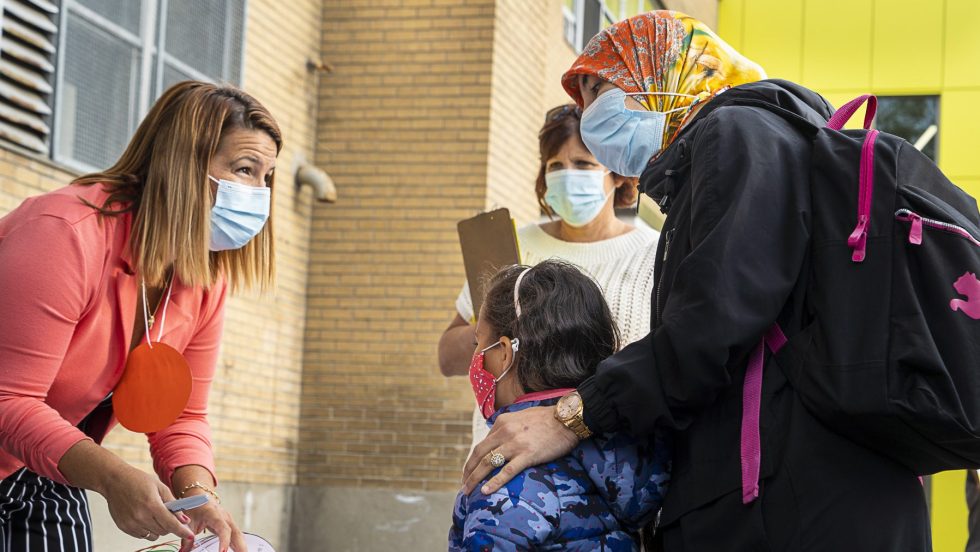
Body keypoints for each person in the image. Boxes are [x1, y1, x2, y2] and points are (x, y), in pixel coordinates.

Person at [462, 11, 931, 551]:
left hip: (804, 504)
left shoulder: (739, 135)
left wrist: (576, 415)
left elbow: (713, 321)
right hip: (804, 493)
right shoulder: (733, 151)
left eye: (598, 90)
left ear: (663, 76)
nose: (588, 114)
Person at [0, 81, 280, 552]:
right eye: (244, 169)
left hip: (38, 463)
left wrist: (197, 495)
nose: (258, 193)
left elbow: (183, 415)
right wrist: (113, 478)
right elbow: (7, 397)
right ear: (181, 164)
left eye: (266, 177)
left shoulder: (204, 277)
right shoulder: (65, 234)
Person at [438, 103, 659, 449]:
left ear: (617, 174)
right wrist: (493, 332)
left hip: (604, 474)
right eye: (556, 166)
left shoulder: (655, 255)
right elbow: (447, 357)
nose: (568, 176)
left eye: (584, 164)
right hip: (500, 468)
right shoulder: (508, 247)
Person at [449, 261, 670, 550]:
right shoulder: (632, 459)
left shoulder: (504, 486)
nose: (476, 357)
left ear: (504, 353)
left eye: (478, 341)